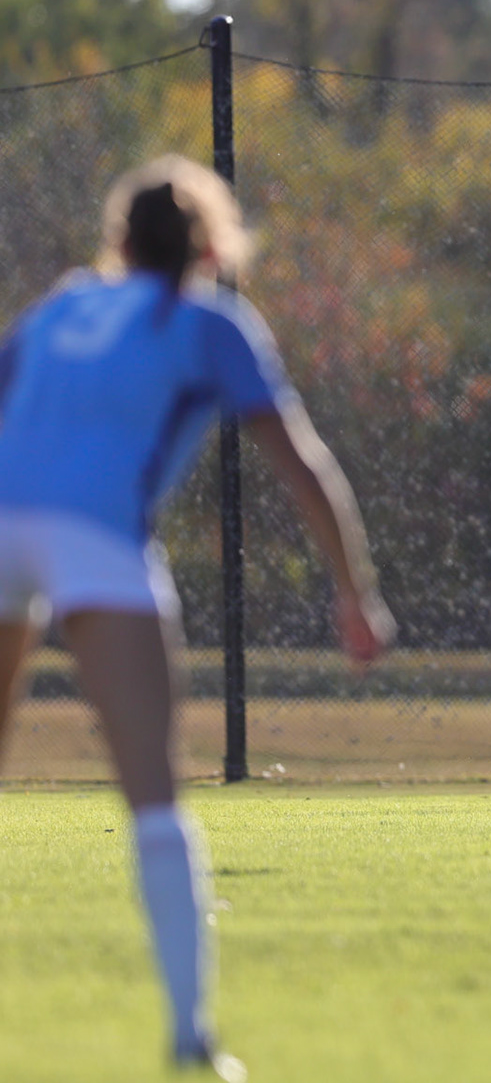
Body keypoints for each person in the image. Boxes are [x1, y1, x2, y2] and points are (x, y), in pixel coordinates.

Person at [0, 156, 393, 1081]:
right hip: (97, 537)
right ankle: (190, 1037)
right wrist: (354, 590)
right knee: (154, 802)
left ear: (119, 242)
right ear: (213, 248)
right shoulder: (213, 323)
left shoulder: (59, 308)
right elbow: (300, 462)